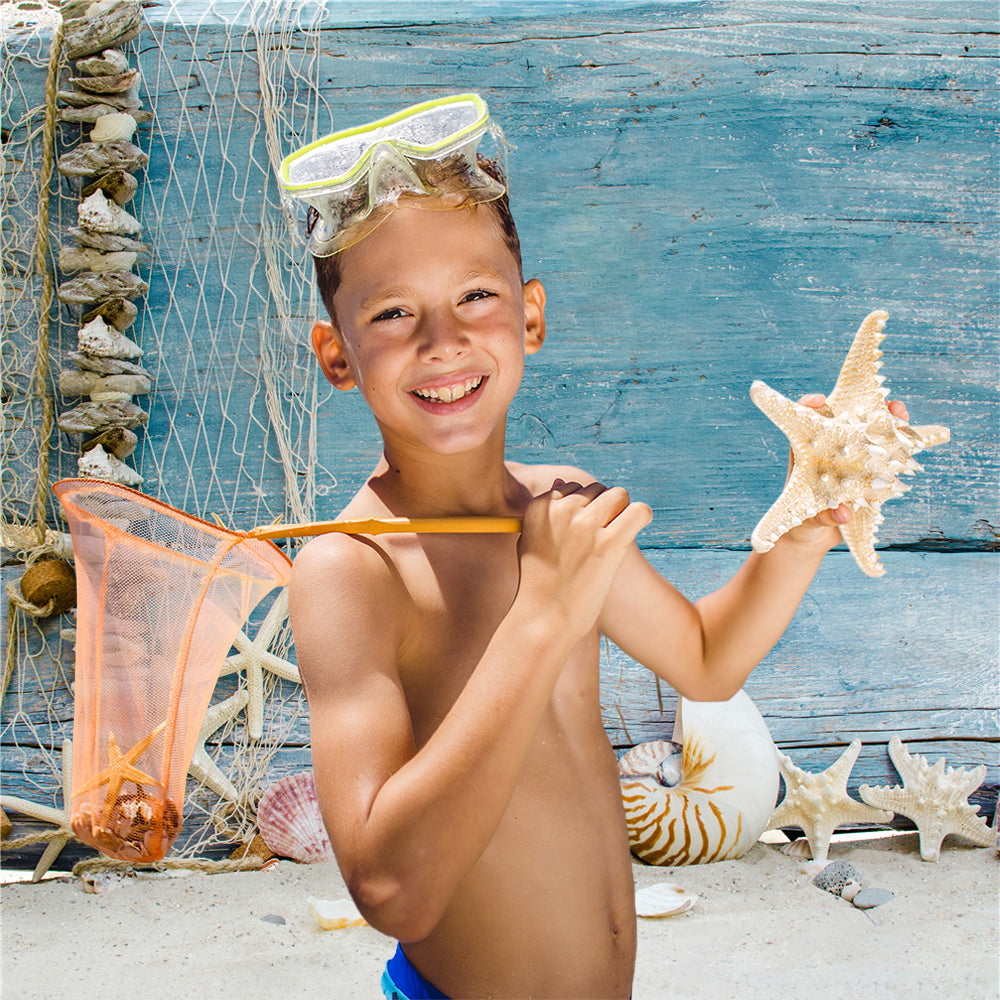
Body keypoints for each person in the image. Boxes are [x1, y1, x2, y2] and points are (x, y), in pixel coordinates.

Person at [284, 95, 907, 1000]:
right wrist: (541, 615)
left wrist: (802, 532)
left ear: (530, 315)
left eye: (475, 296)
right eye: (391, 314)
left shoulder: (561, 503)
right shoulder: (352, 573)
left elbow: (705, 661)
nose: (444, 340)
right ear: (336, 355)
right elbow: (392, 891)